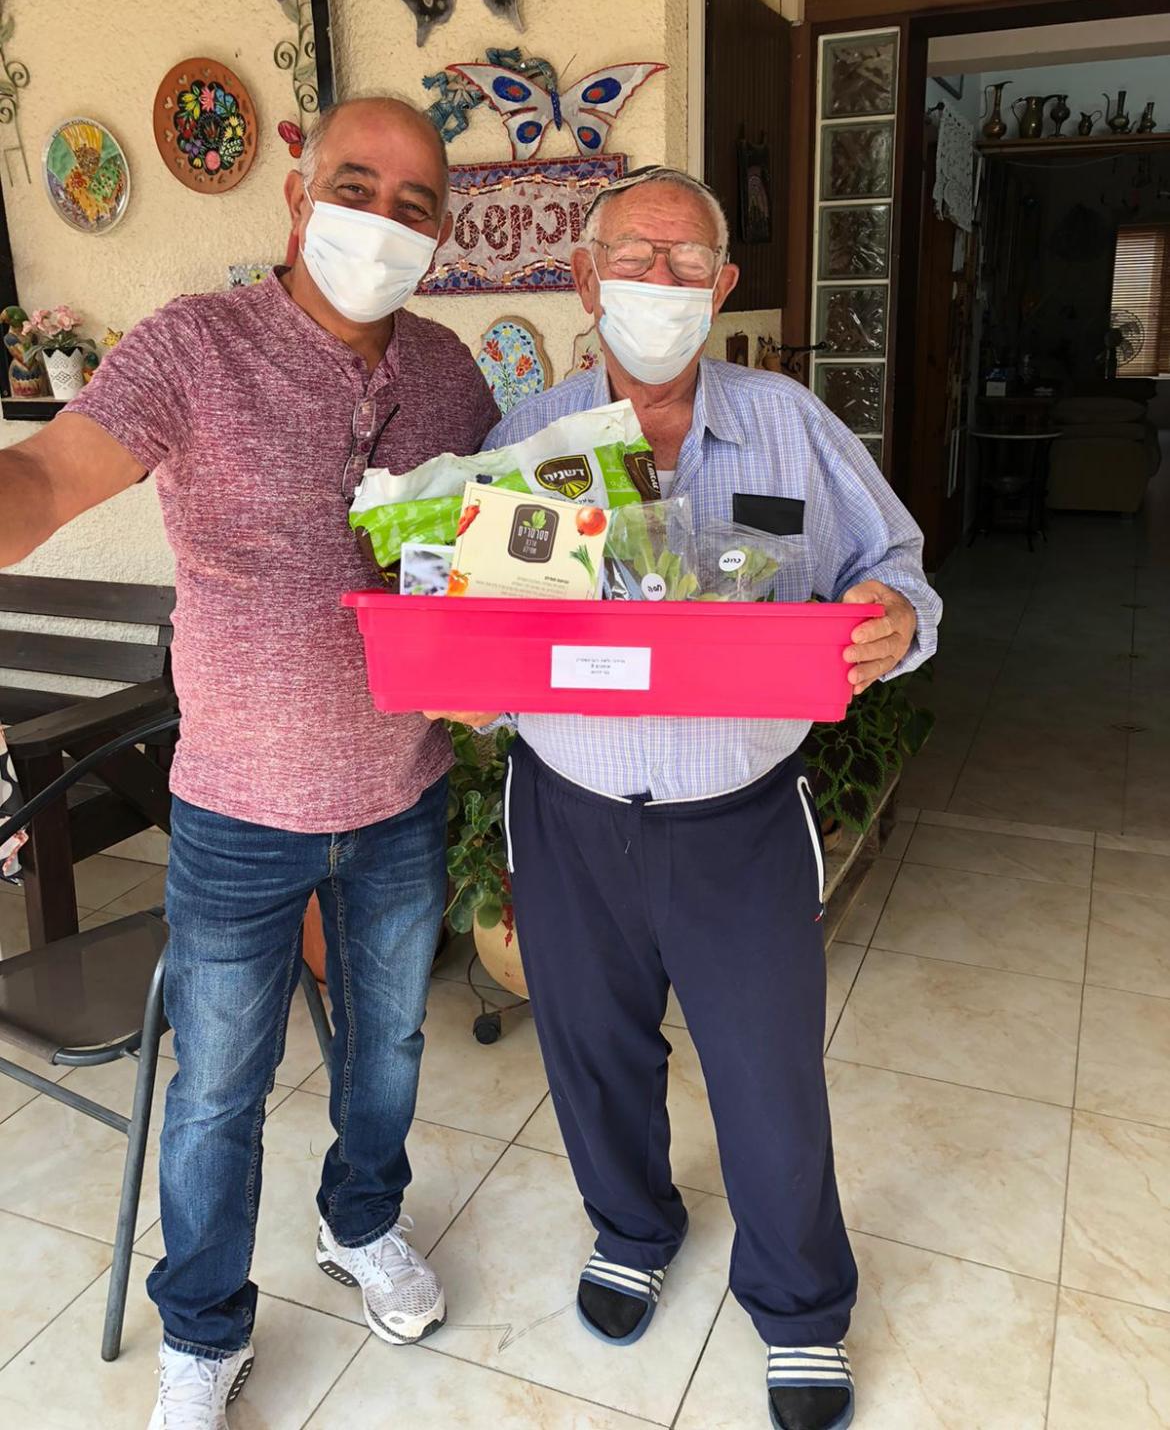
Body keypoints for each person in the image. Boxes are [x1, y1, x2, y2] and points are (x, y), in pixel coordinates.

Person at [0, 96, 499, 1430]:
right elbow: (46, 478)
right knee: (218, 1089)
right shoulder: (195, 347)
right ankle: (204, 1328)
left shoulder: (450, 374)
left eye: (415, 205)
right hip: (236, 811)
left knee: (388, 1049)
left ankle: (360, 1222)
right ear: (297, 194)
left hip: (402, 794)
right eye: (357, 186)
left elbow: (503, 551)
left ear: (439, 235)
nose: (382, 221)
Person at [442, 166, 941, 1430]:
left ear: (722, 288)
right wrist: (462, 678)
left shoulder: (790, 425)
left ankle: (801, 1306)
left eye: (685, 264)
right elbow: (480, 626)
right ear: (585, 278)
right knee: (592, 1053)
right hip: (569, 811)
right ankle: (631, 1230)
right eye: (634, 258)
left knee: (769, 1077)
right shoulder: (529, 440)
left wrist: (894, 615)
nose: (658, 284)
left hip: (741, 816)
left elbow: (897, 565)